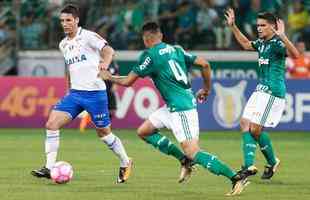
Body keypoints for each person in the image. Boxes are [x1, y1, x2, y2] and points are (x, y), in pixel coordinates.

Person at [99, 22, 249, 196]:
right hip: (174, 106)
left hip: (181, 109)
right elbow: (205, 64)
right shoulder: (176, 49)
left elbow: (127, 82)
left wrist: (108, 76)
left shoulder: (150, 55)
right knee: (144, 131)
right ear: (160, 36)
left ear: (145, 39)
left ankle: (235, 177)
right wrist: (207, 89)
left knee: (193, 151)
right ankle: (184, 161)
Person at [31, 4, 132, 184]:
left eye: (68, 20)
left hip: (95, 94)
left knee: (104, 134)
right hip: (75, 94)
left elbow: (109, 50)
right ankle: (49, 167)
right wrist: (68, 87)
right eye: (62, 21)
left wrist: (105, 64)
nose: (65, 24)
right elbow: (70, 68)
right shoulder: (63, 44)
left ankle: (126, 161)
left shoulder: (88, 36)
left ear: (76, 20)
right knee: (51, 124)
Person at [225, 9, 300, 179]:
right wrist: (233, 26)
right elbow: (245, 44)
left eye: (263, 25)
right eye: (258, 25)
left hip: (273, 92)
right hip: (260, 89)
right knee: (245, 123)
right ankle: (249, 165)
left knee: (255, 129)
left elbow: (296, 55)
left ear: (273, 27)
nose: (259, 28)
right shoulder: (261, 43)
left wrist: (283, 36)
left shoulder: (278, 44)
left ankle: (272, 161)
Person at [79, 61, 119, 132]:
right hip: (100, 89)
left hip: (110, 90)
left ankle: (105, 125)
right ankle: (87, 121)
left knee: (112, 110)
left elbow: (116, 74)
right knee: (99, 108)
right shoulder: (98, 62)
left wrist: (115, 84)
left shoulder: (114, 64)